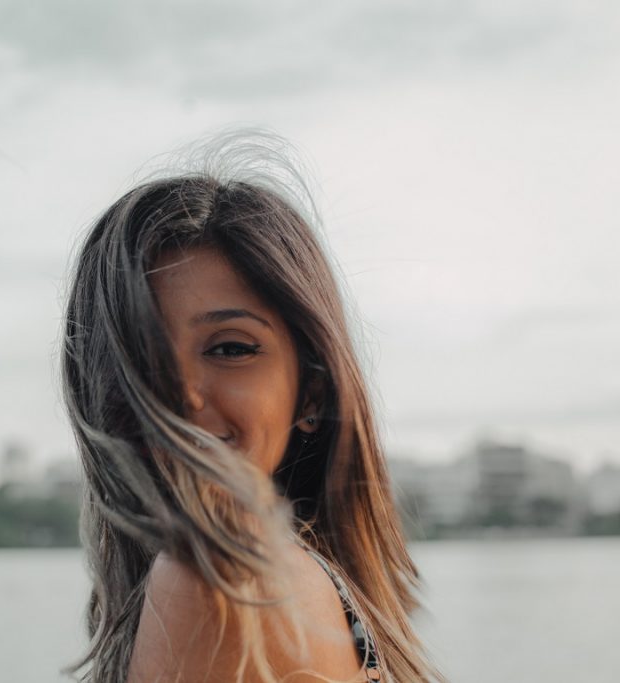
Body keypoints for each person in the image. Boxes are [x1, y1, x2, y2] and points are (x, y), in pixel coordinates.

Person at [61, 136, 439, 683]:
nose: (179, 394)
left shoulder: (220, 581)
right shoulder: (311, 592)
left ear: (311, 393)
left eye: (230, 348)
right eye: (139, 358)